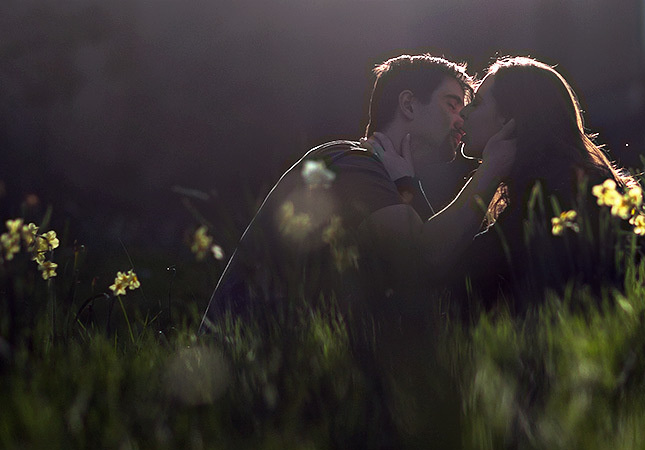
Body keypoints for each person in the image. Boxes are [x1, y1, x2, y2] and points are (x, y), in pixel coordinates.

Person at [201, 54, 515, 333]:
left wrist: (406, 182)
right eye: (452, 104)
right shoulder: (350, 162)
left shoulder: (378, 175)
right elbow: (422, 259)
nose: (462, 120)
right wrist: (490, 170)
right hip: (244, 366)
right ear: (408, 104)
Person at [447, 56, 637, 313]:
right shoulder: (554, 184)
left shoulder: (557, 195)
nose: (464, 113)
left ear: (509, 119)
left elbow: (458, 276)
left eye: (477, 104)